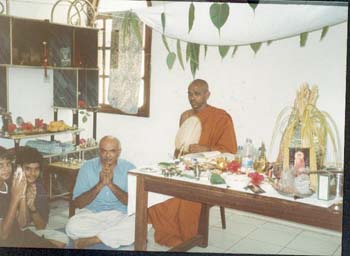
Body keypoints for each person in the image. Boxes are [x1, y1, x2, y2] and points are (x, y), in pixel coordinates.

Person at [148, 79, 238, 247]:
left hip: (208, 169)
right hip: (186, 167)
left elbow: (229, 151)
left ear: (207, 95)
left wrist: (205, 149)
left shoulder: (221, 118)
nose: (192, 98)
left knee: (187, 196)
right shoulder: (186, 116)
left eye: (197, 94)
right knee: (160, 189)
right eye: (190, 94)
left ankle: (187, 235)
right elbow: (180, 147)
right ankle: (165, 225)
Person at [65, 136, 136, 249]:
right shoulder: (87, 167)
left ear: (119, 152)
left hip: (119, 215)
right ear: (99, 151)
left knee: (140, 225)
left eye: (112, 151)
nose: (107, 156)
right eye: (104, 151)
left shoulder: (129, 168)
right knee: (71, 227)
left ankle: (93, 239)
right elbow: (78, 203)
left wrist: (111, 185)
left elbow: (132, 203)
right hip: (91, 214)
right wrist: (100, 184)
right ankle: (112, 235)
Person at [0, 146, 56, 248]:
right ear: (18, 168)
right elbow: (3, 236)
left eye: (8, 164)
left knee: (59, 243)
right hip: (9, 240)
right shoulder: (11, 184)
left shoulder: (36, 187)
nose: (32, 174)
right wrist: (16, 197)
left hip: (21, 233)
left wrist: (28, 203)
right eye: (1, 165)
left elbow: (24, 225)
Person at [16, 146, 68, 248]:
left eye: (36, 169)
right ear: (19, 168)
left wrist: (32, 207)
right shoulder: (13, 186)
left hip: (32, 230)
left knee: (62, 240)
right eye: (28, 169)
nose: (32, 174)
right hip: (15, 231)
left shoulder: (38, 188)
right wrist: (23, 199)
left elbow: (41, 226)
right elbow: (20, 225)